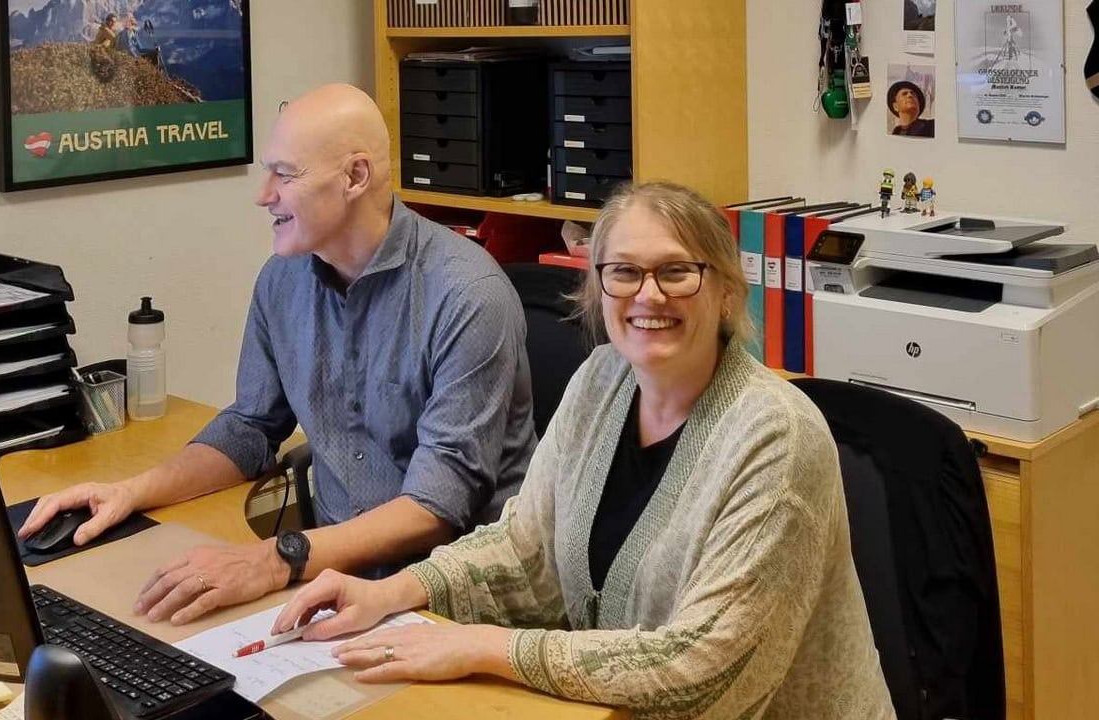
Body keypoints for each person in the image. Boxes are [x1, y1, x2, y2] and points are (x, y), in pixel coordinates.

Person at [273, 182, 895, 719]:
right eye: (623, 271)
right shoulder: (601, 381)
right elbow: (527, 549)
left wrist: (485, 649)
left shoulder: (774, 436)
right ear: (598, 288)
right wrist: (395, 592)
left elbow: (704, 666)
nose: (648, 295)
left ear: (726, 292)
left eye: (677, 271)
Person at [18, 84, 536, 626]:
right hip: (334, 577)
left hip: (458, 598)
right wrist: (128, 492)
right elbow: (250, 428)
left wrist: (276, 559)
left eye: (285, 175)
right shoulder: (282, 280)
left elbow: (437, 506)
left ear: (355, 177)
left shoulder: (467, 294)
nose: (263, 194)